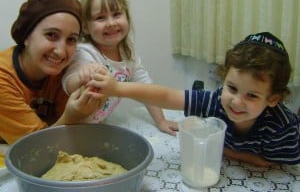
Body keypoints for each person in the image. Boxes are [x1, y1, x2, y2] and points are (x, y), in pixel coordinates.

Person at [88, 32, 300, 167]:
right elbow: (167, 96)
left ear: (273, 99)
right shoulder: (216, 101)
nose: (236, 101)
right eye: (232, 88)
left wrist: (222, 150)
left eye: (252, 95)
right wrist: (117, 88)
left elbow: (268, 162)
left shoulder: (282, 128)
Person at [62, 0, 178, 136]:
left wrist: (161, 121)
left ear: (127, 17)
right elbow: (67, 84)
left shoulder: (128, 53)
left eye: (116, 14)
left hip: (98, 126)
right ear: (85, 27)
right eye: (100, 18)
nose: (111, 23)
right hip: (73, 130)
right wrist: (80, 77)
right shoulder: (85, 52)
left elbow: (146, 87)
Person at [0, 0, 104, 145]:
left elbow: (72, 134)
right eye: (51, 35)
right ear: (26, 36)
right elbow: (32, 148)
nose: (61, 51)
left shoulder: (64, 70)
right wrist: (71, 117)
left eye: (71, 39)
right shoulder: (3, 79)